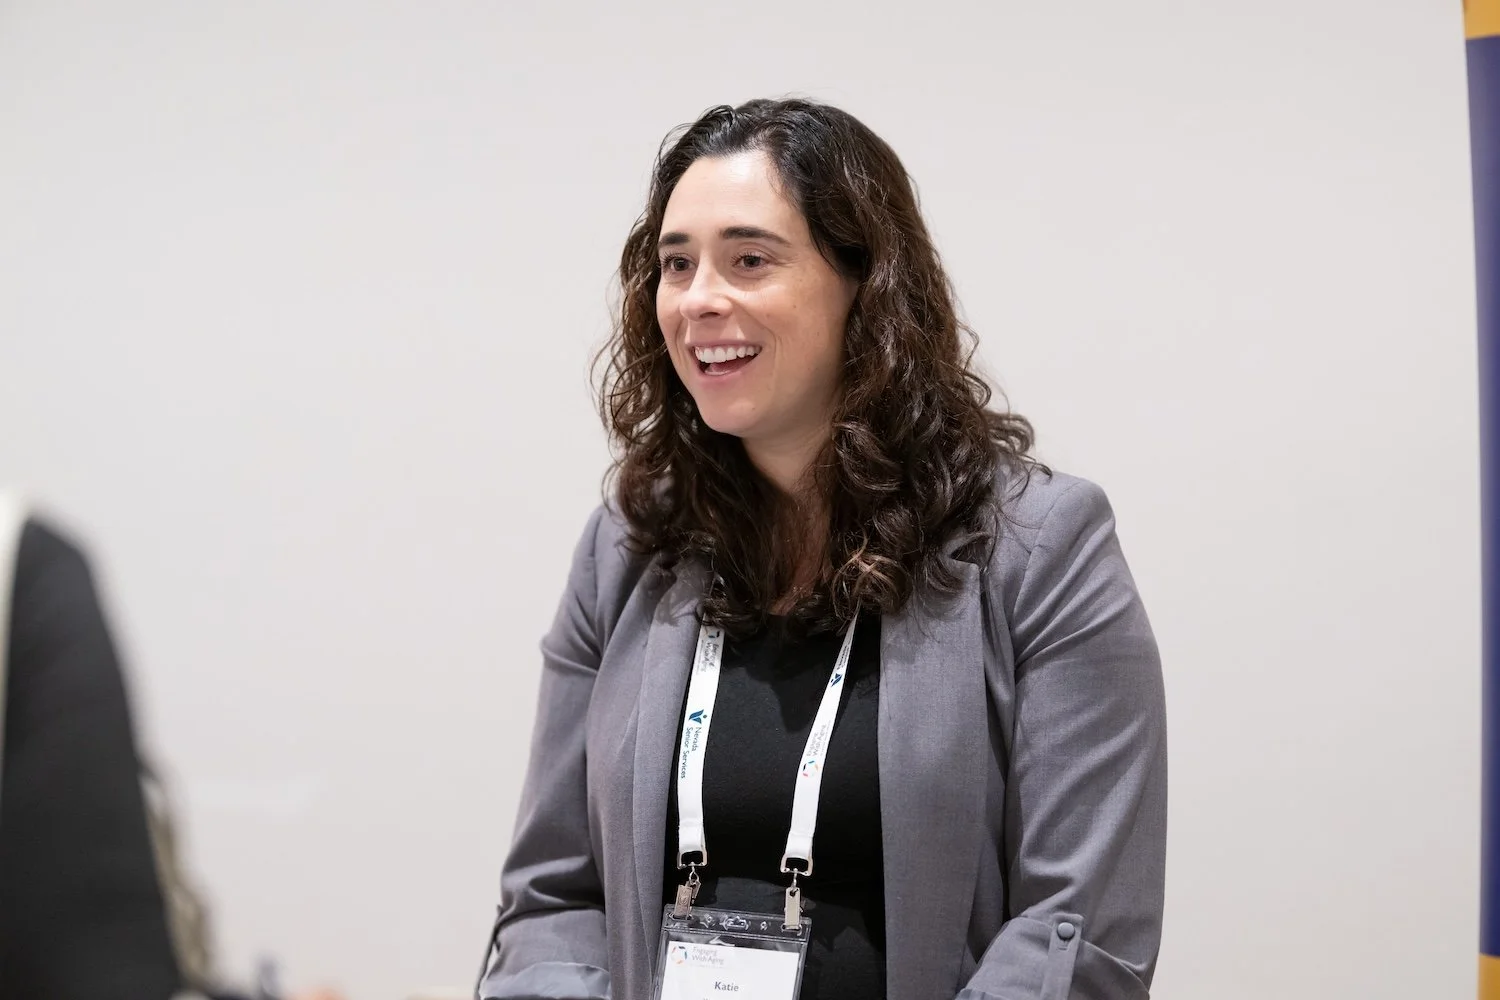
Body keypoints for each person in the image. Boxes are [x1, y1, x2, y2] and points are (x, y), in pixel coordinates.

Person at [478, 98, 1167, 1000]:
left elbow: (1077, 933)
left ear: (864, 283)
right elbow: (550, 899)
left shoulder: (1042, 548)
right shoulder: (628, 545)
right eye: (675, 264)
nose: (699, 300)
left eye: (749, 259)